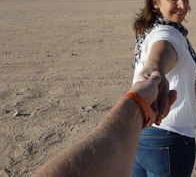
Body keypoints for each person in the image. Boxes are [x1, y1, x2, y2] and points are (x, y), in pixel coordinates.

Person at [31, 71, 177, 177]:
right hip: (168, 133)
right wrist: (139, 101)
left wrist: (138, 103)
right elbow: (157, 58)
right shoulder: (167, 32)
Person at [132, 0, 196, 177]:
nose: (183, 5)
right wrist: (155, 71)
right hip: (171, 138)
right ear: (156, 2)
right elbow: (159, 55)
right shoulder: (166, 34)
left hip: (140, 134)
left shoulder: (151, 31)